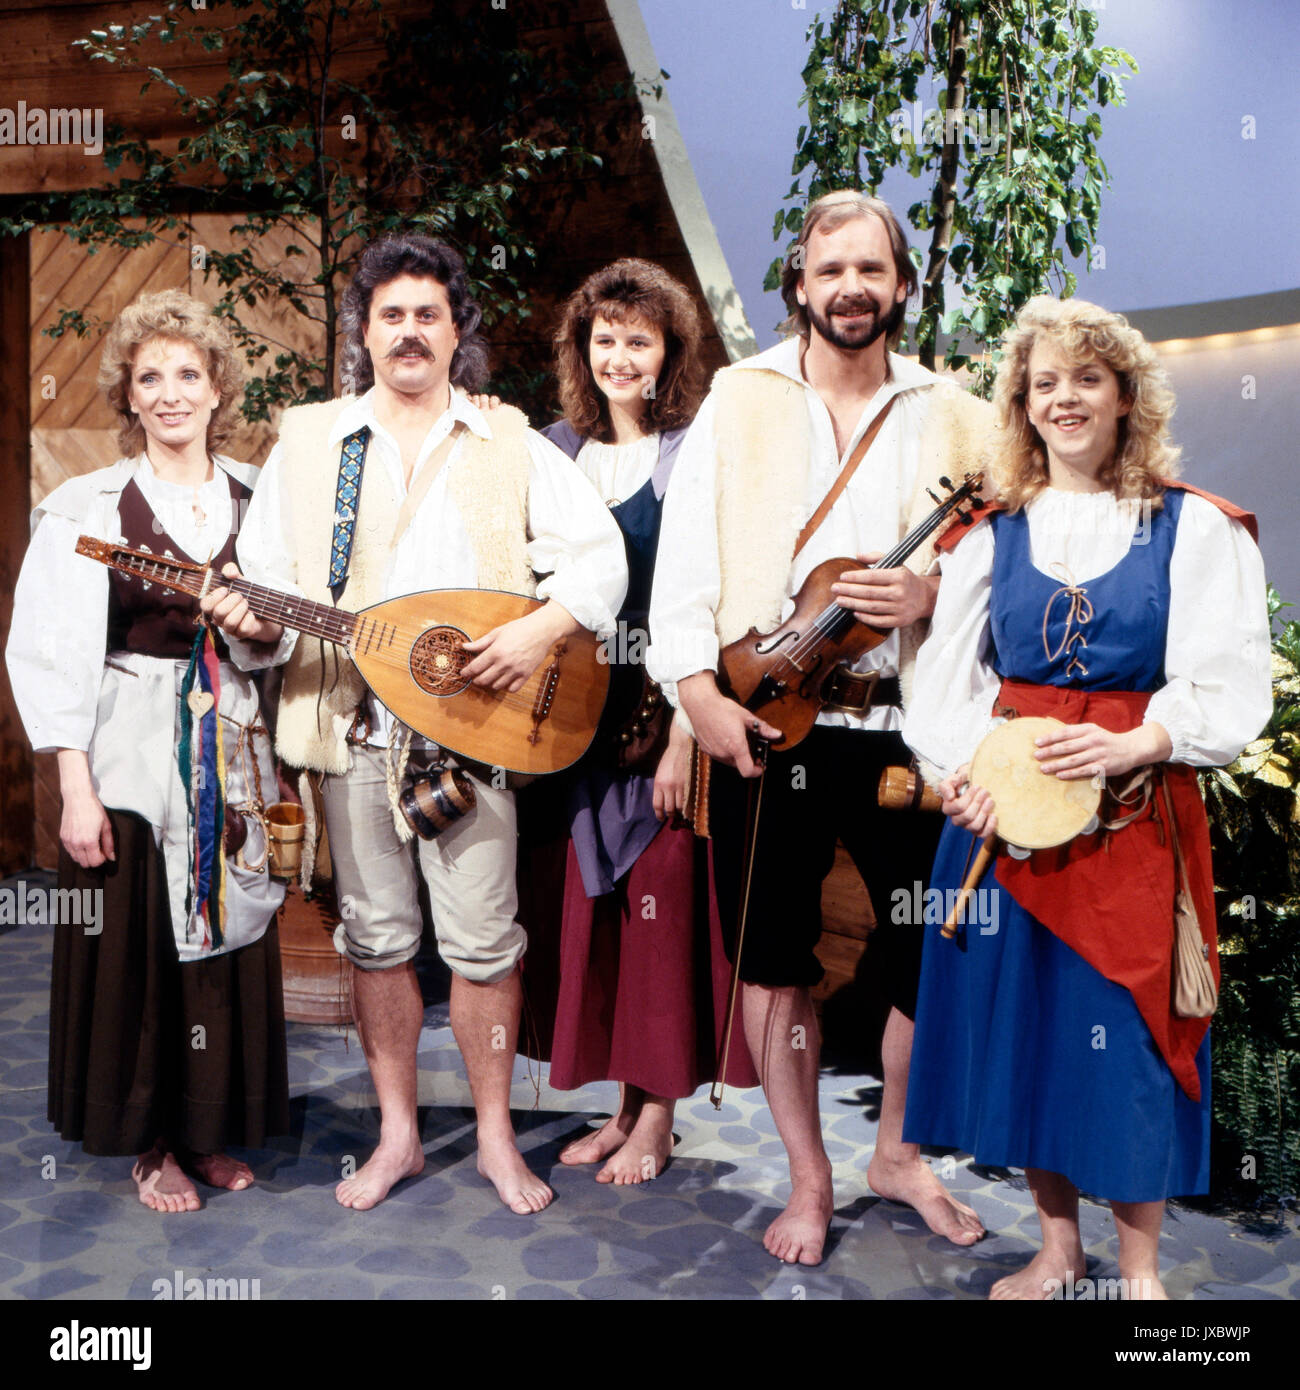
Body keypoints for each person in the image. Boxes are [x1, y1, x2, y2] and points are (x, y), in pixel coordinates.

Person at [204, 232, 627, 1214]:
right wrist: (250, 619)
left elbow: (598, 559)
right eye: (388, 314)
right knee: (377, 940)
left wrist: (539, 633)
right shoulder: (312, 444)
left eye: (425, 314)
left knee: (484, 944)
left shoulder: (506, 439)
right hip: (352, 732)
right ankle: (397, 1134)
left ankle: (491, 1138)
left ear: (455, 329)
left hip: (474, 733)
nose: (406, 331)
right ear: (361, 330)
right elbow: (266, 589)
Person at [900, 296, 1272, 1299]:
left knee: (1129, 1053)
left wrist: (1135, 741)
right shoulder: (992, 534)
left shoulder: (1191, 525)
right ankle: (1057, 1249)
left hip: (1129, 825)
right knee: (1030, 1041)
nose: (1063, 398)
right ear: (1020, 403)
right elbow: (945, 683)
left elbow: (1228, 688)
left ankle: (1141, 1272)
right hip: (1008, 833)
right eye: (1042, 382)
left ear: (1124, 396)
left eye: (1086, 378)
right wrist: (971, 777)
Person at [647, 190, 994, 1264]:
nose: (851, 287)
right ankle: (808, 1174)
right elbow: (684, 559)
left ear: (901, 286)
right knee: (774, 958)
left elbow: (999, 561)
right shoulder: (740, 398)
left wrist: (932, 600)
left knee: (927, 940)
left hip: (909, 731)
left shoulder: (961, 412)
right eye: (829, 268)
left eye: (870, 270)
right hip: (764, 719)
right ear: (799, 284)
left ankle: (896, 1149)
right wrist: (694, 696)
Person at [6, 289, 289, 1213]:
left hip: (232, 749)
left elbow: (279, 641)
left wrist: (253, 631)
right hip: (126, 754)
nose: (170, 394)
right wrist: (73, 791)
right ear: (129, 396)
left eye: (187, 376)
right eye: (149, 378)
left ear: (218, 391)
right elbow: (49, 649)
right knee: (142, 947)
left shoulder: (260, 499)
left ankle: (206, 1131)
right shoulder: (87, 507)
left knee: (222, 936)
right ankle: (150, 1143)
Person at [519, 259, 757, 1185]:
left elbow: (714, 599)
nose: (620, 356)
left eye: (639, 339)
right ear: (584, 347)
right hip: (574, 719)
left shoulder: (692, 451)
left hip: (665, 718)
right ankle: (622, 1105)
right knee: (601, 914)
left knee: (664, 914)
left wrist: (689, 732)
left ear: (670, 352)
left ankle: (659, 1116)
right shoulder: (555, 447)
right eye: (605, 337)